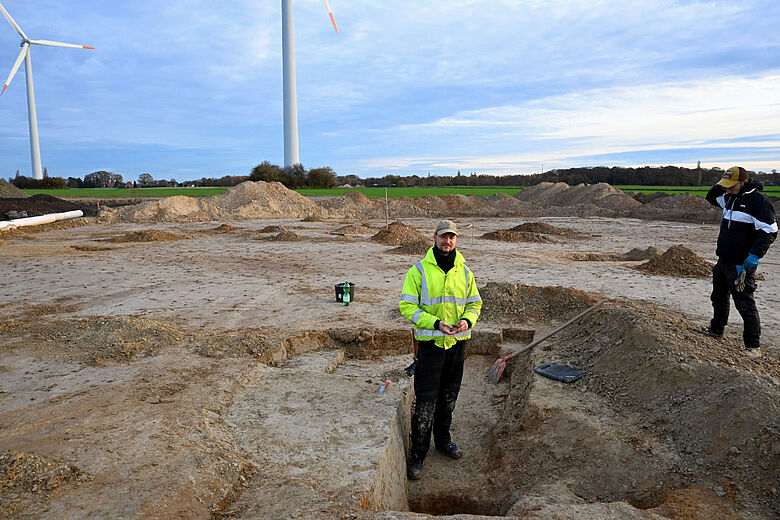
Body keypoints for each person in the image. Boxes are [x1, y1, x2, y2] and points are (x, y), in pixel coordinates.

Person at [399, 220, 482, 480]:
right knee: (425, 402)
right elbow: (407, 307)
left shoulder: (465, 273)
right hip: (430, 348)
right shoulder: (419, 271)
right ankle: (418, 456)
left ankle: (443, 441)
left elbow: (474, 303)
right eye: (444, 237)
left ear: (456, 240)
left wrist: (467, 320)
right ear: (434, 237)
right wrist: (435, 323)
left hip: (457, 346)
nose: (448, 242)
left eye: (452, 238)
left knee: (448, 397)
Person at [701, 166, 777, 356]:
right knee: (718, 298)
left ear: (744, 182)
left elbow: (769, 230)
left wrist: (755, 255)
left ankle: (753, 347)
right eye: (725, 186)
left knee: (744, 304)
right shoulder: (730, 198)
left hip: (741, 263)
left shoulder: (758, 202)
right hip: (724, 259)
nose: (727, 189)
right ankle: (716, 330)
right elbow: (711, 197)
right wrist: (724, 184)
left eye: (731, 185)